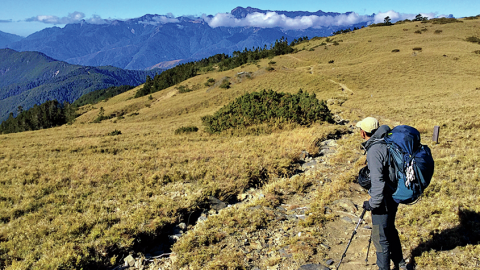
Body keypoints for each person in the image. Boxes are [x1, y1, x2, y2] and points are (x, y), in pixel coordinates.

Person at [356, 117, 407, 270]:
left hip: (383, 200)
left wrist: (372, 204)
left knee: (380, 238)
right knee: (390, 230)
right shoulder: (386, 141)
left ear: (363, 132)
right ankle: (401, 264)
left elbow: (378, 183)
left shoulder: (374, 150)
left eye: (360, 129)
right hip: (394, 195)